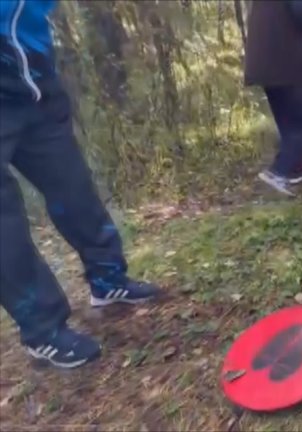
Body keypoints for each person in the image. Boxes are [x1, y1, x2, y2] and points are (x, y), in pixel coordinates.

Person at [0, 0, 159, 369]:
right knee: (4, 224)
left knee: (73, 186)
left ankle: (107, 277)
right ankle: (42, 329)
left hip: (35, 80)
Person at [245, 1, 302, 195]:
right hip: (284, 60)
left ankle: (295, 169)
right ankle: (278, 172)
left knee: (288, 121)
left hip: (266, 61)